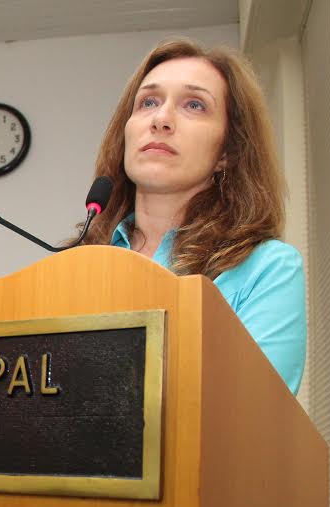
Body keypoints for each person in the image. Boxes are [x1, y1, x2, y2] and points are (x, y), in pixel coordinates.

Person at [85, 39, 306, 394]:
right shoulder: (77, 264)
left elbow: (252, 415)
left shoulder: (266, 268)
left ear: (228, 152)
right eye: (148, 102)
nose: (161, 119)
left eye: (194, 105)